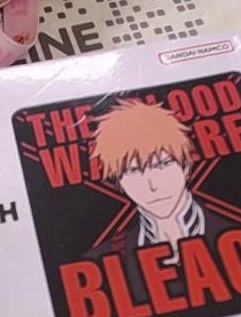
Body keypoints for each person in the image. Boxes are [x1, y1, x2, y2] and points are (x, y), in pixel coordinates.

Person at [87, 98, 231, 266]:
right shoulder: (103, 260)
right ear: (119, 182)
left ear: (185, 166)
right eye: (132, 171)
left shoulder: (237, 235)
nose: (152, 185)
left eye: (162, 165)